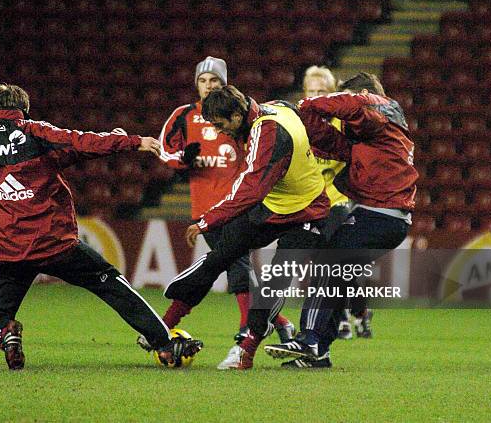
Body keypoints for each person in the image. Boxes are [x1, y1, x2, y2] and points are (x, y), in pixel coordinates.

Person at [0, 83, 202, 370]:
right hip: (54, 243)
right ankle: (165, 346)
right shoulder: (36, 135)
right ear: (22, 110)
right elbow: (81, 142)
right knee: (112, 285)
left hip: (8, 252)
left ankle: (7, 333)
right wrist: (133, 142)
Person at [161, 85, 332, 370]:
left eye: (221, 124)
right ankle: (163, 326)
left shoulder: (268, 133)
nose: (219, 133)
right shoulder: (276, 105)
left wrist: (208, 219)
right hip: (273, 207)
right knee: (221, 255)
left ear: (238, 114)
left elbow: (250, 190)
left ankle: (246, 349)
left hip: (307, 212)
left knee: (276, 279)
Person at [264, 72, 417, 368]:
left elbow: (357, 105)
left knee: (328, 263)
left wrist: (311, 101)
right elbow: (328, 141)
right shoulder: (375, 135)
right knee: (338, 278)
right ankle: (320, 349)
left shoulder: (382, 109)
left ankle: (309, 338)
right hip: (385, 215)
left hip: (379, 214)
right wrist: (305, 117)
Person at [155, 57, 295, 353]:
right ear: (196, 84)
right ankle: (279, 323)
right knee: (225, 263)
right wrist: (183, 160)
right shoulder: (183, 116)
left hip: (237, 206)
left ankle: (175, 323)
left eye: (214, 81)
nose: (208, 86)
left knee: (232, 263)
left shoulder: (237, 118)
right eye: (203, 81)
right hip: (204, 208)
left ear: (224, 84)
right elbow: (164, 151)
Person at [303, 65, 363, 340]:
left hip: (340, 202)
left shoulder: (345, 125)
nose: (316, 98)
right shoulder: (299, 124)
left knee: (329, 263)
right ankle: (351, 310)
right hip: (308, 203)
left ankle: (334, 321)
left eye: (322, 92)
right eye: (311, 92)